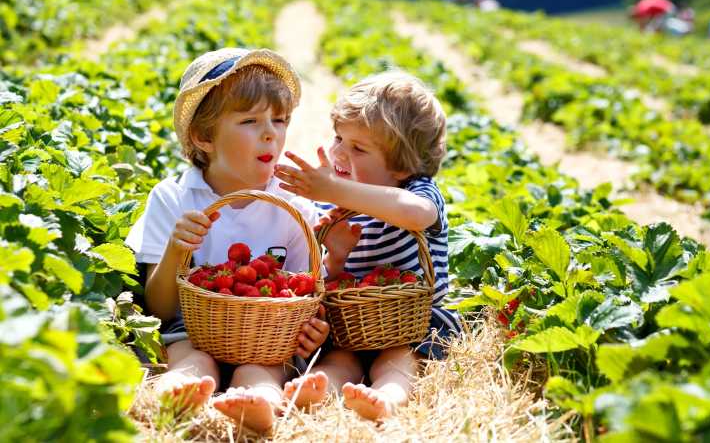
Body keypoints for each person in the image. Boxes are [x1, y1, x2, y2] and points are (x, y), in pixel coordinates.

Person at [125, 48, 352, 432]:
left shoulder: (293, 205)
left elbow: (303, 294)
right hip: (193, 332)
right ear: (203, 136)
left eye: (279, 120)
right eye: (250, 120)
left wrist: (314, 325)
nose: (270, 133)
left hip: (268, 340)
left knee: (261, 370)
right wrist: (176, 251)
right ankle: (176, 392)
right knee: (190, 359)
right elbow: (160, 310)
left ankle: (259, 404)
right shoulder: (174, 199)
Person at [273, 71, 462, 421]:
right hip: (354, 328)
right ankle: (319, 390)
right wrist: (338, 256)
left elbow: (416, 215)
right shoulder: (338, 210)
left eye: (358, 148)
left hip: (411, 325)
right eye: (339, 138)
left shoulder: (417, 192)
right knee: (339, 359)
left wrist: (334, 191)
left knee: (398, 358)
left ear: (404, 165)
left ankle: (388, 397)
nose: (339, 153)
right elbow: (333, 282)